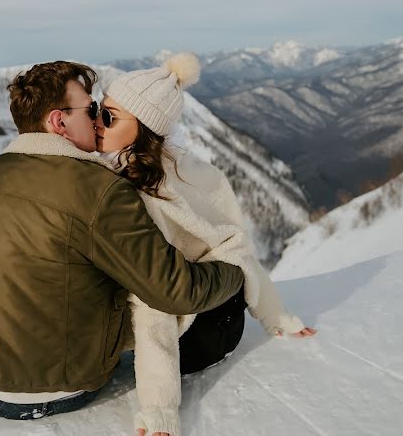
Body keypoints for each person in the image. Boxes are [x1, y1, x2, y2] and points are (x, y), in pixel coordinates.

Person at [0, 60, 245, 421]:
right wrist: (233, 271)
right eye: (91, 110)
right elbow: (174, 292)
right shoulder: (101, 190)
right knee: (205, 302)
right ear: (58, 122)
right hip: (62, 387)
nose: (97, 118)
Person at [95, 52, 317, 436]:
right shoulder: (185, 168)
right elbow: (235, 248)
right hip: (219, 306)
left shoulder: (141, 195)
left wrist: (159, 408)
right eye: (98, 109)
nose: (97, 122)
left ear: (144, 127)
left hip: (201, 334)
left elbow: (156, 303)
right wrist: (275, 315)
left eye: (109, 116)